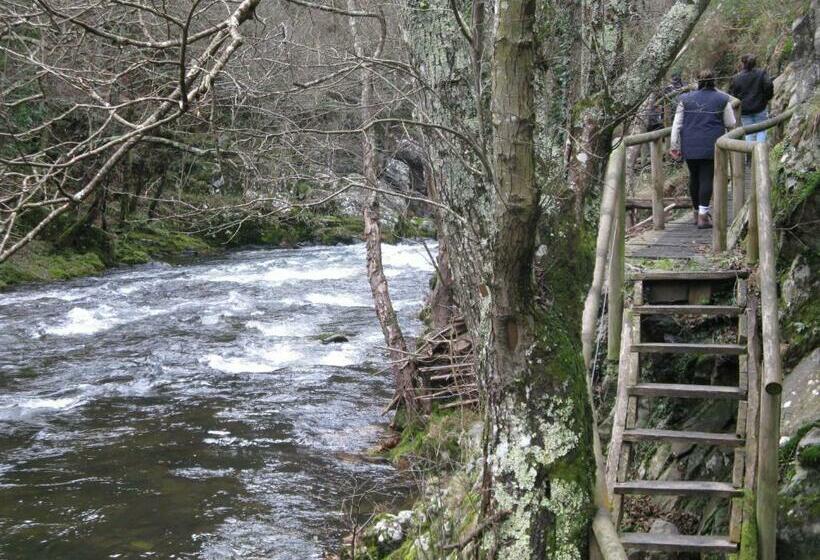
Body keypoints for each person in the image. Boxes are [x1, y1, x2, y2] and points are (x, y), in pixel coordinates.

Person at [670, 69, 736, 229]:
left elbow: (677, 124)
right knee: (706, 177)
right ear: (714, 81)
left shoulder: (685, 99)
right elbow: (731, 122)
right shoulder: (722, 98)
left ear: (698, 82)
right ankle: (703, 216)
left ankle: (695, 212)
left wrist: (674, 146)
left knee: (694, 177)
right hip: (711, 144)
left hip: (690, 144)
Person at [729, 54, 774, 142]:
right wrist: (767, 98)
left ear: (742, 63)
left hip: (745, 110)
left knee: (749, 133)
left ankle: (751, 154)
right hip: (760, 107)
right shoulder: (761, 73)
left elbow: (732, 94)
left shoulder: (736, 78)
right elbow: (768, 85)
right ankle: (760, 153)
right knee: (761, 130)